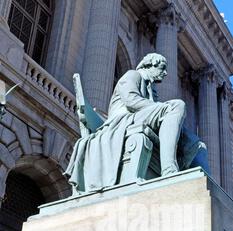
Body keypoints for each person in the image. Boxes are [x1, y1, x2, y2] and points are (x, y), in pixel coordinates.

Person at [65, 53, 209, 193]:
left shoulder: (151, 90)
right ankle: (169, 170)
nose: (165, 73)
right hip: (123, 121)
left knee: (197, 145)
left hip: (139, 118)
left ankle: (204, 191)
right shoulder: (133, 75)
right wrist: (161, 108)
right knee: (177, 105)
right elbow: (131, 100)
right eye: (162, 68)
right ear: (149, 65)